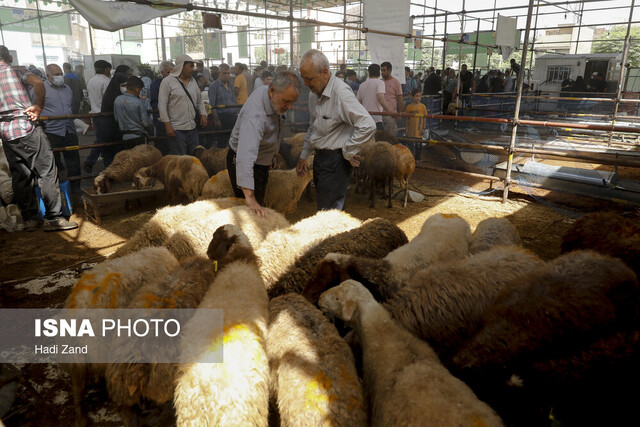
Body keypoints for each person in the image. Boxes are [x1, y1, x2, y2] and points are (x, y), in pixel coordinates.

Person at [0, 45, 78, 232]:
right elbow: (38, 82)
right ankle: (54, 218)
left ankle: (29, 219)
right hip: (25, 127)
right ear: (10, 57)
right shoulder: (16, 70)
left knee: (21, 175)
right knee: (47, 171)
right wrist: (39, 106)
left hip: (5, 131)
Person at [297, 49, 376, 211]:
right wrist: (304, 155)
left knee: (329, 213)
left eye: (309, 79)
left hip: (335, 162)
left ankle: (332, 237)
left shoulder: (341, 93)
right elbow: (314, 126)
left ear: (325, 72)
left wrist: (348, 151)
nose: (306, 84)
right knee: (326, 209)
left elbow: (367, 124)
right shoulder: (314, 94)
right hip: (320, 159)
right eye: (304, 79)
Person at [227, 72, 300, 217]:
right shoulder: (255, 116)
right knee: (251, 210)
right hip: (244, 160)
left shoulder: (271, 97)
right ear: (272, 90)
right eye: (286, 101)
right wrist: (249, 197)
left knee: (259, 201)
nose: (289, 107)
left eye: (292, 102)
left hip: (261, 159)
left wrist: (270, 156)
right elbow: (245, 156)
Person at [38, 64, 82, 196]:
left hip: (69, 129)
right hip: (51, 131)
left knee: (74, 160)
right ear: (48, 76)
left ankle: (75, 189)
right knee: (53, 162)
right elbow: (35, 106)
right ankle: (57, 191)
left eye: (60, 74)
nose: (59, 77)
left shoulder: (67, 88)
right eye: (56, 75)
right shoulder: (41, 89)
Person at [158, 54, 207, 155]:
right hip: (176, 129)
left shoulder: (193, 81)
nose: (193, 69)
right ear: (182, 66)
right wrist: (167, 125)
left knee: (195, 157)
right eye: (190, 66)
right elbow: (162, 104)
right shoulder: (167, 82)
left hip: (192, 127)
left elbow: (199, 101)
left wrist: (203, 114)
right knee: (181, 161)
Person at [84, 59, 111, 173]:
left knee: (102, 139)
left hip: (95, 114)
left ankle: (105, 164)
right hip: (105, 115)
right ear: (106, 69)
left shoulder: (91, 81)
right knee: (104, 140)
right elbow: (108, 99)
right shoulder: (107, 81)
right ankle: (91, 161)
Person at [97, 71, 129, 165]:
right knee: (111, 153)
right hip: (110, 129)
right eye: (123, 85)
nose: (125, 87)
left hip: (118, 130)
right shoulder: (113, 96)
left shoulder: (113, 93)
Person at [114, 76, 153, 150]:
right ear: (137, 89)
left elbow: (116, 119)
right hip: (139, 137)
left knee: (130, 160)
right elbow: (146, 123)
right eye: (140, 89)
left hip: (125, 137)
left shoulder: (117, 100)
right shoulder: (139, 102)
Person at [357, 63, 393, 130]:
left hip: (365, 118)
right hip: (376, 118)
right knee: (380, 138)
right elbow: (381, 98)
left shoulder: (362, 85)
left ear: (369, 73)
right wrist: (391, 112)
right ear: (379, 73)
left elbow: (359, 102)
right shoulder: (380, 83)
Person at [208, 63, 237, 148]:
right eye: (224, 73)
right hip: (222, 117)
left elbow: (232, 99)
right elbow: (212, 105)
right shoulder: (214, 86)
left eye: (228, 73)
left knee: (232, 140)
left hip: (232, 116)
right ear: (219, 73)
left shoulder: (229, 84)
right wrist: (217, 120)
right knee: (222, 141)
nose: (227, 75)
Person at [149, 60, 174, 155]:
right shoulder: (156, 85)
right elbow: (156, 103)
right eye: (168, 72)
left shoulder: (177, 83)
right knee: (163, 145)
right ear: (162, 73)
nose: (171, 75)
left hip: (175, 119)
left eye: (172, 72)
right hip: (161, 120)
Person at [380, 61, 403, 135]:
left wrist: (400, 113)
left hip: (391, 114)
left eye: (384, 70)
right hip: (379, 114)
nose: (382, 72)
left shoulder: (396, 82)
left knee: (390, 136)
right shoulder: (379, 82)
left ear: (390, 70)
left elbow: (400, 98)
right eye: (381, 70)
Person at [405, 88, 427, 161]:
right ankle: (410, 159)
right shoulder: (409, 107)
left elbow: (424, 118)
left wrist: (423, 128)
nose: (418, 98)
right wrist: (406, 128)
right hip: (411, 129)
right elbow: (407, 118)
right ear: (412, 96)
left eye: (420, 96)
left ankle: (417, 158)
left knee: (418, 145)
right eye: (416, 96)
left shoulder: (423, 107)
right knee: (410, 145)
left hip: (419, 129)